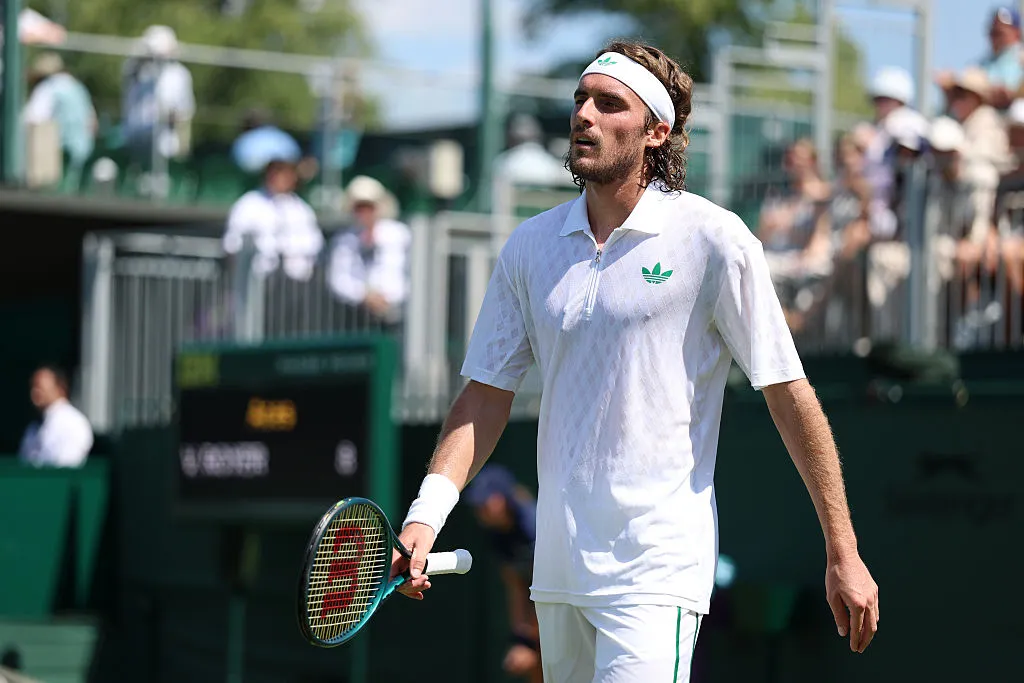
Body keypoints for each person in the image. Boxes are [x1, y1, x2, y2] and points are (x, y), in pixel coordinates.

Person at [390, 41, 879, 683]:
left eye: (609, 103)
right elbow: (483, 397)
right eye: (580, 100)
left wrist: (841, 546)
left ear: (656, 130)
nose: (584, 115)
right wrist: (425, 516)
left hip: (655, 572)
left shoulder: (713, 238)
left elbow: (790, 396)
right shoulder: (529, 247)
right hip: (558, 576)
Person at [463, 465, 542, 683]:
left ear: (501, 499)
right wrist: (521, 637)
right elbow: (515, 587)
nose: (479, 508)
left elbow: (547, 589)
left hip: (563, 604)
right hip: (540, 614)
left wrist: (529, 642)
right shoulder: (497, 535)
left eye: (484, 501)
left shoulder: (533, 525)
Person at [327, 175, 411, 329]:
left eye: (369, 207)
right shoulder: (343, 241)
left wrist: (388, 298)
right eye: (360, 208)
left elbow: (411, 274)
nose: (365, 213)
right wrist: (364, 296)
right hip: (357, 317)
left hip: (398, 315)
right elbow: (338, 280)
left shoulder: (399, 234)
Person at [18, 365, 94, 469]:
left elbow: (67, 467)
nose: (35, 392)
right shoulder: (33, 428)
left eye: (40, 387)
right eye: (33, 387)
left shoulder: (74, 423)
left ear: (60, 388)